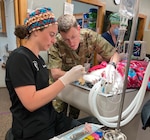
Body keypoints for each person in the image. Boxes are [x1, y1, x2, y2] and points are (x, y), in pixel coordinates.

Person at [5, 7, 85, 140]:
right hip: (33, 127)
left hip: (49, 118)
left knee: (86, 129)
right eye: (52, 34)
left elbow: (43, 91)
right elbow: (31, 102)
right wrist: (65, 79)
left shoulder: (39, 60)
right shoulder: (19, 58)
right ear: (36, 31)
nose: (54, 40)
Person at [48, 14, 121, 120]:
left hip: (78, 85)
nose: (71, 43)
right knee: (56, 116)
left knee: (74, 115)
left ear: (78, 29)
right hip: (59, 85)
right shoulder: (56, 43)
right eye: (66, 39)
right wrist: (81, 76)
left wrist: (112, 66)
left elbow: (114, 55)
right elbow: (55, 73)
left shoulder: (90, 37)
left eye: (73, 37)